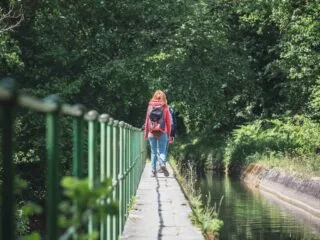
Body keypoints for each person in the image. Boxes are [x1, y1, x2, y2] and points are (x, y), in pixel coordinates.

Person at [144, 90, 171, 177]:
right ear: (164, 97)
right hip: (163, 131)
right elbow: (168, 122)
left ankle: (153, 171)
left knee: (153, 152)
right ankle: (162, 164)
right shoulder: (165, 107)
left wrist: (146, 134)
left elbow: (147, 121)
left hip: (151, 132)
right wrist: (169, 134)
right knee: (162, 150)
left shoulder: (150, 106)